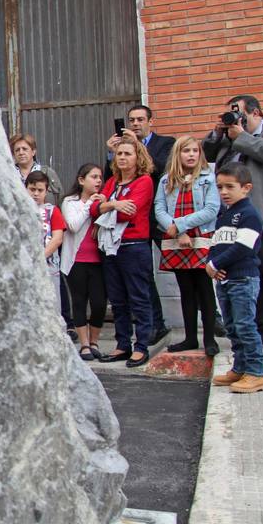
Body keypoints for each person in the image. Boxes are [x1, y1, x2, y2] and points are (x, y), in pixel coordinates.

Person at [203, 94, 263, 351]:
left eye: (240, 114)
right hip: (234, 221)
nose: (235, 120)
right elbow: (209, 154)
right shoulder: (230, 139)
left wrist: (241, 137)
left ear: (256, 113)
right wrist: (219, 133)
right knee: (253, 281)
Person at [105, 104, 175, 344]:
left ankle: (212, 317)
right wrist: (112, 153)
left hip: (159, 216)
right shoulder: (121, 153)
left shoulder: (166, 143)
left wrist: (138, 145)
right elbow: (109, 183)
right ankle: (157, 324)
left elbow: (160, 170)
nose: (135, 124)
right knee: (143, 279)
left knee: (182, 269)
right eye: (132, 120)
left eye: (140, 119)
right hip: (129, 228)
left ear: (150, 121)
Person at [153, 136, 220, 356]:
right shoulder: (166, 181)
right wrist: (177, 231)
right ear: (177, 154)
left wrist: (180, 225)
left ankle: (209, 339)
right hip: (176, 240)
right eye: (186, 151)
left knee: (204, 289)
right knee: (186, 290)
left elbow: (211, 210)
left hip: (200, 238)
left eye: (195, 151)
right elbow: (159, 209)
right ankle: (190, 338)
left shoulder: (208, 179)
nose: (191, 155)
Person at [206, 163, 263, 393]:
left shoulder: (249, 214)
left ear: (246, 188)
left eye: (230, 187)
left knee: (245, 325)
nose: (223, 192)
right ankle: (240, 367)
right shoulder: (225, 215)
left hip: (243, 279)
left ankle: (256, 372)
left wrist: (216, 263)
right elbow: (216, 245)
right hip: (225, 280)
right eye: (220, 187)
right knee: (232, 326)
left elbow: (243, 248)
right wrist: (211, 264)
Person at [96, 136, 155, 367]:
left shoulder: (144, 182)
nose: (122, 157)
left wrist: (107, 206)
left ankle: (141, 347)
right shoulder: (111, 183)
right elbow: (94, 208)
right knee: (118, 300)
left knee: (139, 298)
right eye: (119, 154)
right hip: (110, 247)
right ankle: (122, 344)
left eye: (127, 154)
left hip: (133, 246)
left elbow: (129, 212)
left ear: (137, 157)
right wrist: (112, 204)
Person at [60, 164, 106, 361]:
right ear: (81, 180)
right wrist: (90, 205)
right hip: (76, 261)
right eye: (93, 177)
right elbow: (73, 225)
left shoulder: (104, 200)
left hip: (99, 261)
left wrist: (102, 206)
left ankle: (95, 341)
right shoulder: (69, 202)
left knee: (99, 303)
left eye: (100, 177)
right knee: (79, 301)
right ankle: (85, 344)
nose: (98, 181)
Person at [26, 170, 66, 307]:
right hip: (25, 265)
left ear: (46, 191)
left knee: (52, 305)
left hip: (49, 266)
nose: (36, 193)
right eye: (32, 189)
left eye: (40, 190)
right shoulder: (19, 210)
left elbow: (57, 238)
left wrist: (39, 258)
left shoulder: (53, 211)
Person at [10, 132, 63, 204]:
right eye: (17, 150)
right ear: (13, 154)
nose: (21, 152)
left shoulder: (48, 173)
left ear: (33, 152)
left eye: (24, 149)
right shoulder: (9, 175)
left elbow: (60, 200)